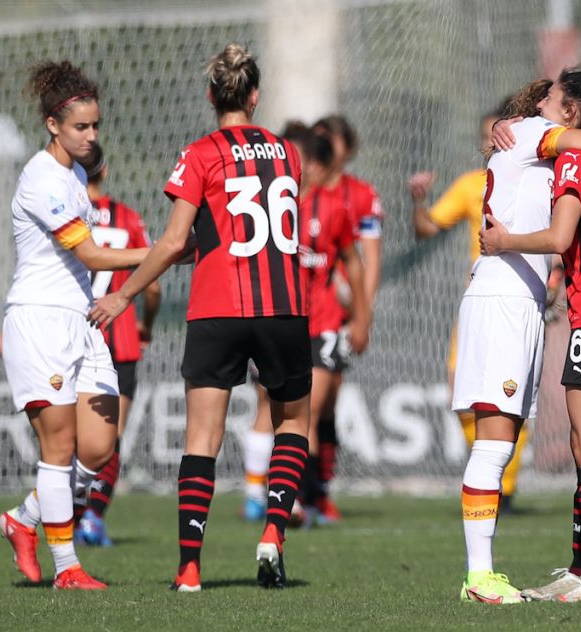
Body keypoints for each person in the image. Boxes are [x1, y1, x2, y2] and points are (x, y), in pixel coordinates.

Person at [89, 43, 311, 592]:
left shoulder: (202, 154)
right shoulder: (288, 154)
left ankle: (189, 566)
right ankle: (274, 533)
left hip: (217, 308)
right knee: (292, 425)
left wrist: (123, 296)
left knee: (202, 438)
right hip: (283, 305)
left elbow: (172, 241)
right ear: (254, 97)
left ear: (211, 95)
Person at [452, 76, 581, 605]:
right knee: (494, 443)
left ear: (569, 110)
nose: (540, 105)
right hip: (503, 301)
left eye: (549, 99)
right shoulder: (539, 133)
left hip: (524, 304)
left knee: (508, 441)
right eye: (540, 101)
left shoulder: (550, 153)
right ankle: (480, 578)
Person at [0, 60, 149, 590]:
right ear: (53, 125)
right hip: (40, 322)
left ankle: (24, 519)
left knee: (100, 448)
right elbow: (88, 254)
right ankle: (68, 570)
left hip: (82, 325)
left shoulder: (77, 175)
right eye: (81, 126)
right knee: (58, 451)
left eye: (96, 125)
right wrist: (161, 254)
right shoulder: (42, 178)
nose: (92, 136)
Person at [406, 98, 533, 513]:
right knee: (463, 392)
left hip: (521, 299)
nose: (490, 144)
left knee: (514, 393)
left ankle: (505, 487)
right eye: (485, 138)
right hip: (479, 301)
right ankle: (491, 476)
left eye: (496, 135)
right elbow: (427, 229)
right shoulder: (470, 184)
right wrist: (419, 201)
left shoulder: (536, 179)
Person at [243, 123, 372, 525]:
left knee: (308, 411)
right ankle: (286, 494)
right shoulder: (267, 207)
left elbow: (352, 260)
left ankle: (294, 497)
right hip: (278, 323)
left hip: (323, 325)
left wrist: (363, 317)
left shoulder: (333, 207)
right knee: (278, 407)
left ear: (314, 167)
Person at [74, 142, 162, 547]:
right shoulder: (128, 217)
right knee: (111, 438)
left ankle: (68, 517)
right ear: (105, 172)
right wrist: (146, 324)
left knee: (71, 438)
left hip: (74, 335)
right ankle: (93, 517)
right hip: (120, 337)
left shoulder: (66, 216)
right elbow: (154, 285)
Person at [301, 114, 384, 522]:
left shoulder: (360, 196)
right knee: (306, 407)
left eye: (328, 143)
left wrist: (361, 313)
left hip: (334, 315)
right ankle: (303, 493)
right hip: (298, 315)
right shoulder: (295, 196)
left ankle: (315, 493)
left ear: (345, 149)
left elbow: (367, 259)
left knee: (324, 405)